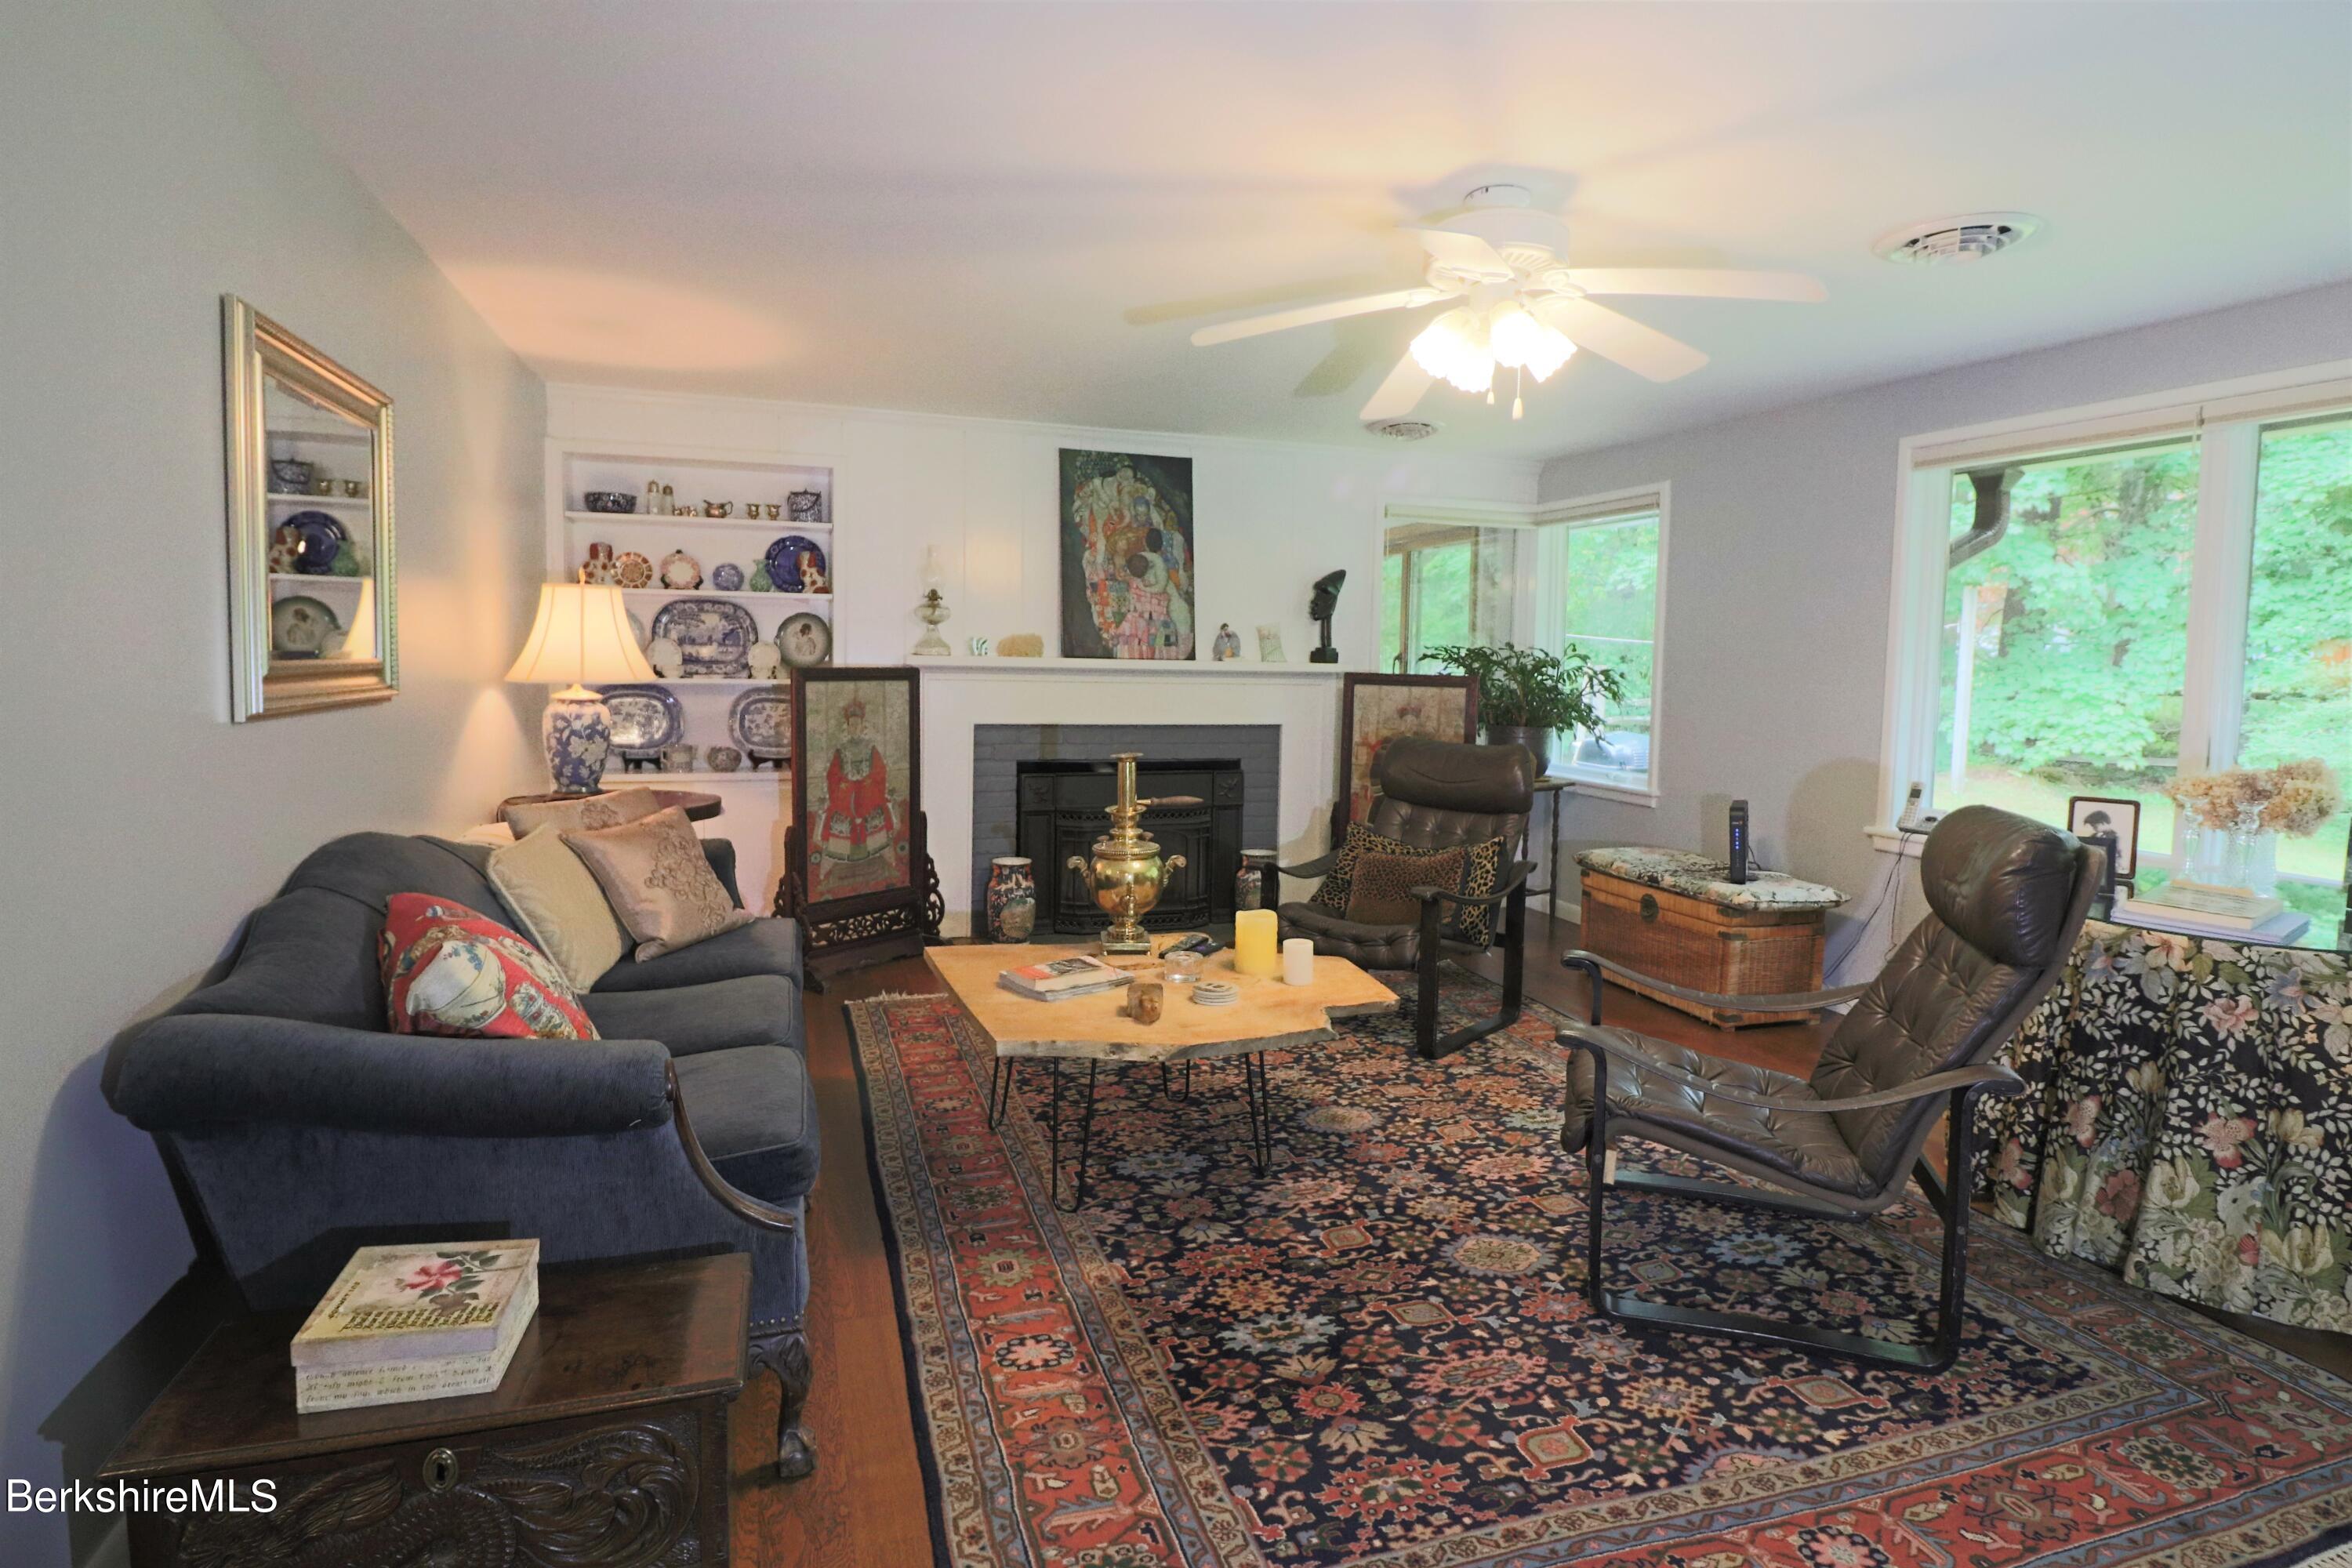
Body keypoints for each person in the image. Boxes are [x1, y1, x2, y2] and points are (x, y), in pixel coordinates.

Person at [816, 695, 902, 896]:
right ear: (847, 726)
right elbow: (833, 775)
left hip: (868, 794)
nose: (855, 728)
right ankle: (826, 872)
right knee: (837, 819)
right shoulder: (841, 750)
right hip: (845, 796)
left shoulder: (870, 748)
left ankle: (887, 862)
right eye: (851, 725)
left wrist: (867, 783)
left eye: (858, 724)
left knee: (876, 814)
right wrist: (845, 785)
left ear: (863, 726)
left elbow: (880, 772)